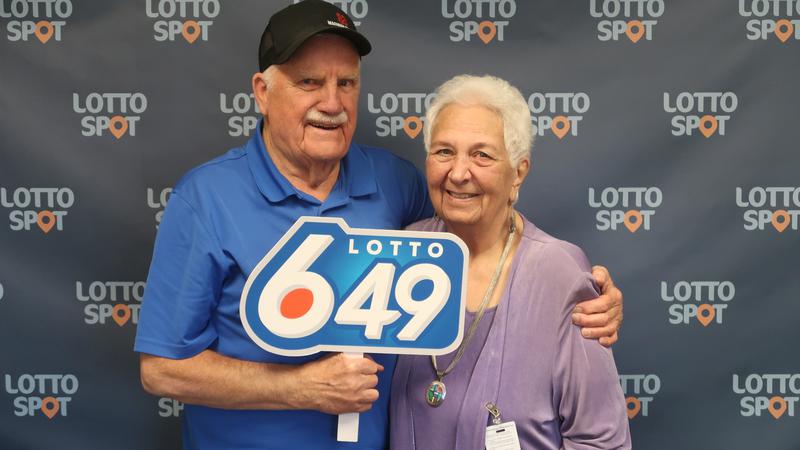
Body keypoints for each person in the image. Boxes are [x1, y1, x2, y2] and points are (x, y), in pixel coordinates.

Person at [134, 1, 624, 449]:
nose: (332, 103)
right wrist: (300, 388)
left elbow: (482, 233)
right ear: (263, 92)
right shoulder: (205, 199)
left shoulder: (395, 184)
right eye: (309, 82)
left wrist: (581, 292)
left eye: (346, 83)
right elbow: (161, 370)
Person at [390, 75, 631, 449]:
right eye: (444, 152)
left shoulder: (559, 274)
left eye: (482, 155)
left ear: (518, 172)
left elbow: (602, 441)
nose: (458, 173)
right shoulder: (400, 254)